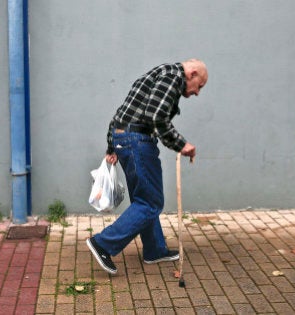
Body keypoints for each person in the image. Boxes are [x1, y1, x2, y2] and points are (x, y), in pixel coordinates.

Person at [87, 59, 208, 274]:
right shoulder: (173, 77)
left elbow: (121, 113)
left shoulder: (159, 74)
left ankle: (155, 250)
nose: (197, 93)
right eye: (199, 86)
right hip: (138, 142)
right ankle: (103, 243)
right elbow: (156, 117)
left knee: (144, 199)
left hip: (125, 138)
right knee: (151, 202)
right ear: (192, 73)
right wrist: (181, 144)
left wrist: (112, 145)